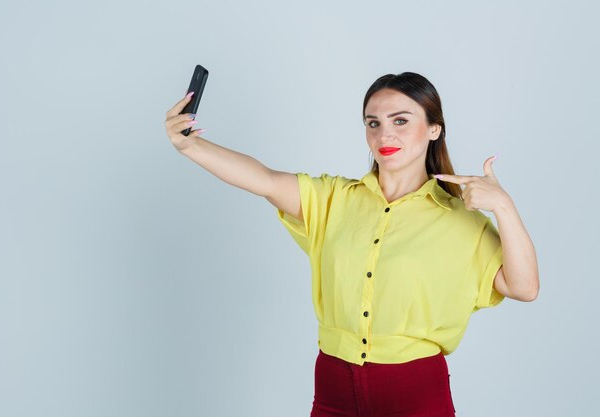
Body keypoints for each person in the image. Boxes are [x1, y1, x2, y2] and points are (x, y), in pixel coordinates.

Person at [164, 71, 540, 417]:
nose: (383, 135)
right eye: (373, 123)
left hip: (415, 392)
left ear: (434, 129)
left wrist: (503, 206)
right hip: (332, 386)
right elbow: (262, 179)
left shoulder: (462, 223)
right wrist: (191, 148)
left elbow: (524, 287)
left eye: (401, 121)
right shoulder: (333, 199)